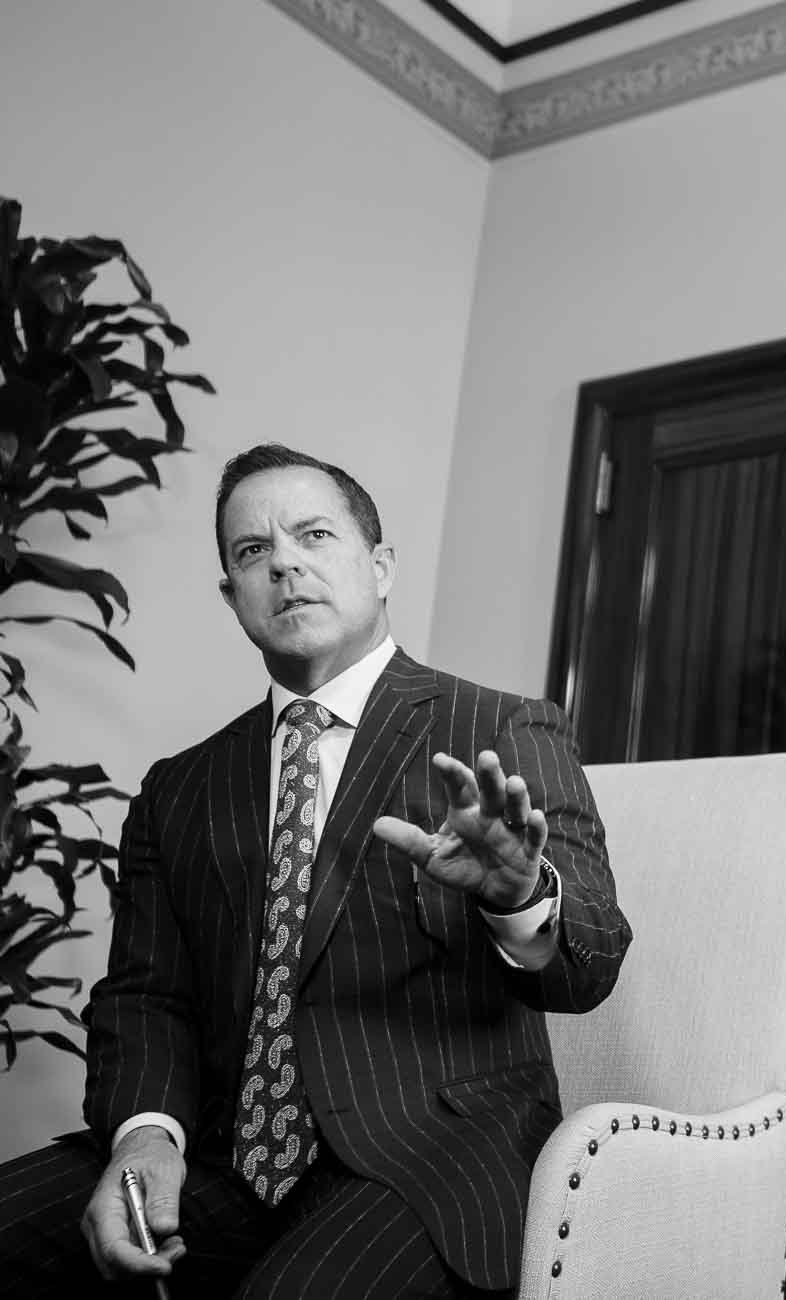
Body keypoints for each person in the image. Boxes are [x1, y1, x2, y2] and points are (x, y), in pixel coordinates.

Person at [0, 443, 632, 1297]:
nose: (285, 564)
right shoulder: (179, 788)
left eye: (314, 534)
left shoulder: (503, 727)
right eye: (252, 552)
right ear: (233, 597)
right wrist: (146, 1138)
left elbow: (592, 959)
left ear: (380, 566)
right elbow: (145, 995)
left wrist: (521, 897)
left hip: (424, 1161)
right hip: (220, 1159)